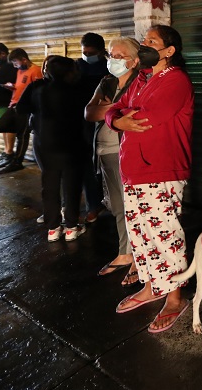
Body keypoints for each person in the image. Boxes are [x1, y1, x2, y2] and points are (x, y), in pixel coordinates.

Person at [106, 25, 194, 333]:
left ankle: (174, 298)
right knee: (141, 235)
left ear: (169, 51)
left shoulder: (177, 81)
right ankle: (150, 287)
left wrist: (123, 118)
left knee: (165, 237)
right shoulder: (141, 79)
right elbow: (115, 110)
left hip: (161, 172)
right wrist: (118, 119)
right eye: (144, 40)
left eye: (151, 42)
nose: (144, 45)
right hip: (133, 170)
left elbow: (144, 119)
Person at [85, 37, 140, 285]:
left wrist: (108, 108)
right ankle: (125, 253)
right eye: (111, 55)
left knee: (134, 207)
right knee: (118, 205)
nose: (113, 60)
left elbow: (134, 114)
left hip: (126, 150)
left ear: (134, 59)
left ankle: (139, 259)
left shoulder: (141, 82)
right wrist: (114, 109)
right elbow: (88, 112)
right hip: (105, 150)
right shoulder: (106, 82)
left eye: (119, 55)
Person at [16, 56, 87, 242]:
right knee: (71, 185)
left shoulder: (37, 88)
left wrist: (37, 111)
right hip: (72, 143)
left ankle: (53, 228)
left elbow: (21, 108)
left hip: (44, 143)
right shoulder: (78, 90)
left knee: (49, 184)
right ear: (69, 72)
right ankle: (71, 226)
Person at [76, 32, 109, 223]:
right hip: (83, 123)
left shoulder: (110, 67)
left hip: (106, 120)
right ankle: (93, 205)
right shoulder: (76, 67)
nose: (87, 55)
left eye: (91, 52)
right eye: (84, 52)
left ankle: (110, 202)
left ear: (101, 51)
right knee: (88, 166)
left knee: (108, 166)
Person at [0, 48, 43, 174]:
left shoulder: (36, 70)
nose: (15, 65)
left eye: (16, 62)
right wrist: (12, 87)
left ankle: (17, 162)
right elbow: (21, 87)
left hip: (24, 108)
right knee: (1, 126)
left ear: (24, 59)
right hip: (13, 105)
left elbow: (38, 91)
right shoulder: (20, 71)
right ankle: (10, 155)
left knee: (22, 135)